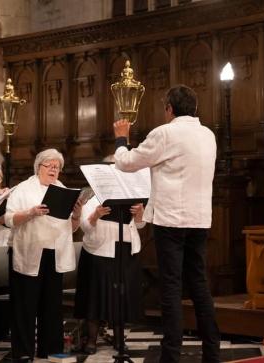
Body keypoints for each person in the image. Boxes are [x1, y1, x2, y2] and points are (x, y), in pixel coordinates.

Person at [112, 85, 220, 363]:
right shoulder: (208, 135)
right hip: (199, 218)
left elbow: (125, 163)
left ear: (169, 109)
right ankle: (212, 353)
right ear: (194, 109)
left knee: (171, 286)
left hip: (171, 219)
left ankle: (171, 356)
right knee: (198, 284)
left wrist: (121, 139)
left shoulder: (165, 133)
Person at [5, 148, 83, 361]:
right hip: (29, 251)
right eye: (49, 166)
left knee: (51, 305)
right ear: (38, 167)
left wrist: (76, 214)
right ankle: (23, 351)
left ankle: (50, 348)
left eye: (57, 167)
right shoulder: (23, 189)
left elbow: (73, 228)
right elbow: (9, 220)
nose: (53, 170)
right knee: (25, 305)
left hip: (54, 253)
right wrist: (31, 212)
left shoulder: (62, 189)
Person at [74, 194, 145, 354]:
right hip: (99, 251)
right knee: (96, 296)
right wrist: (96, 215)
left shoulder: (128, 197)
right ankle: (91, 340)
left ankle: (119, 339)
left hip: (126, 250)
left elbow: (140, 225)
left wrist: (139, 215)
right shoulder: (91, 200)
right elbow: (85, 227)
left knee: (120, 296)